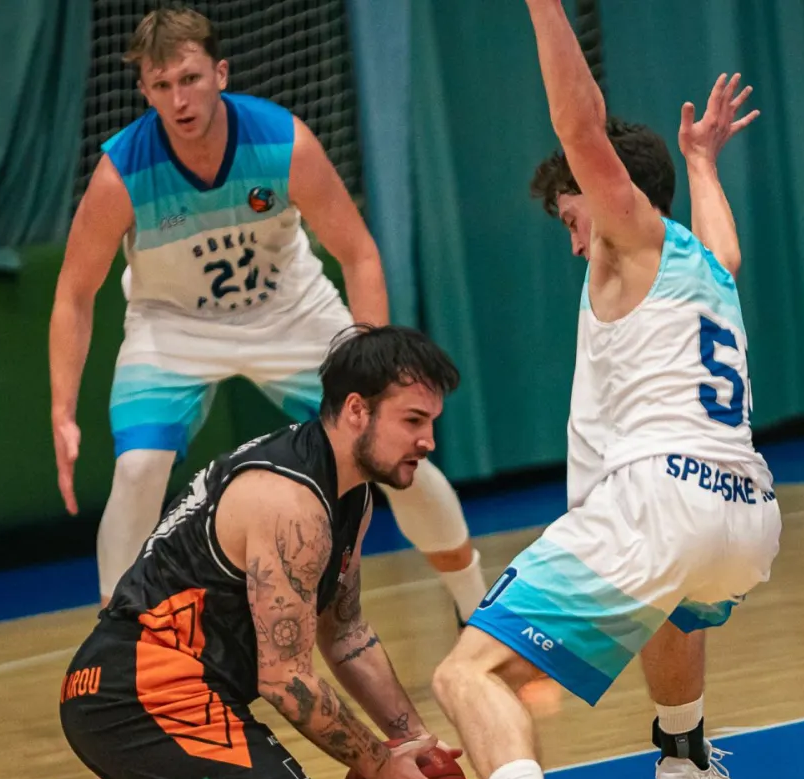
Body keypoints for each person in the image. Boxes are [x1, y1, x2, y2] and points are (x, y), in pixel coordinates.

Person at [406, 0, 781, 779]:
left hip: (659, 499)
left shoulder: (630, 234)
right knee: (673, 599)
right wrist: (703, 163)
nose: (572, 233)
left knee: (464, 670)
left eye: (572, 209)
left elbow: (579, 124)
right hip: (746, 513)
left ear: (613, 194)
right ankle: (686, 763)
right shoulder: (701, 266)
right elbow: (729, 245)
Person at [0, 325, 469, 779]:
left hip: (129, 686)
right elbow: (286, 680)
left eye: (432, 422)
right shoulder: (290, 502)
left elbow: (345, 631)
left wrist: (411, 743)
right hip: (143, 691)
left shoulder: (346, 494)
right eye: (413, 421)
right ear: (357, 410)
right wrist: (380, 767)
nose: (428, 440)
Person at [49, 6, 486, 622]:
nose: (180, 99)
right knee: (139, 468)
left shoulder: (282, 142)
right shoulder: (122, 172)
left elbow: (359, 253)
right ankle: (115, 642)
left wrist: (373, 356)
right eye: (162, 85)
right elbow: (74, 293)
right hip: (173, 326)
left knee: (386, 445)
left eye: (190, 78)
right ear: (144, 91)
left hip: (291, 312)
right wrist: (63, 410)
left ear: (220, 73)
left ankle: (477, 608)